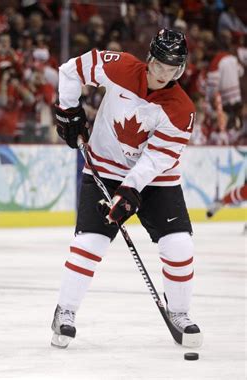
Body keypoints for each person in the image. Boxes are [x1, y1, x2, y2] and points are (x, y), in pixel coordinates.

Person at [52, 29, 203, 349]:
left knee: (179, 247)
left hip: (157, 182)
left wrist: (130, 190)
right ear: (149, 58)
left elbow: (156, 160)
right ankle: (64, 312)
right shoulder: (119, 66)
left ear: (181, 69)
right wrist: (69, 110)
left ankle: (179, 312)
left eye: (172, 68)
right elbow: (69, 70)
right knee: (90, 244)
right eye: (159, 64)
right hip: (104, 171)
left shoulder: (181, 109)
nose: (164, 73)